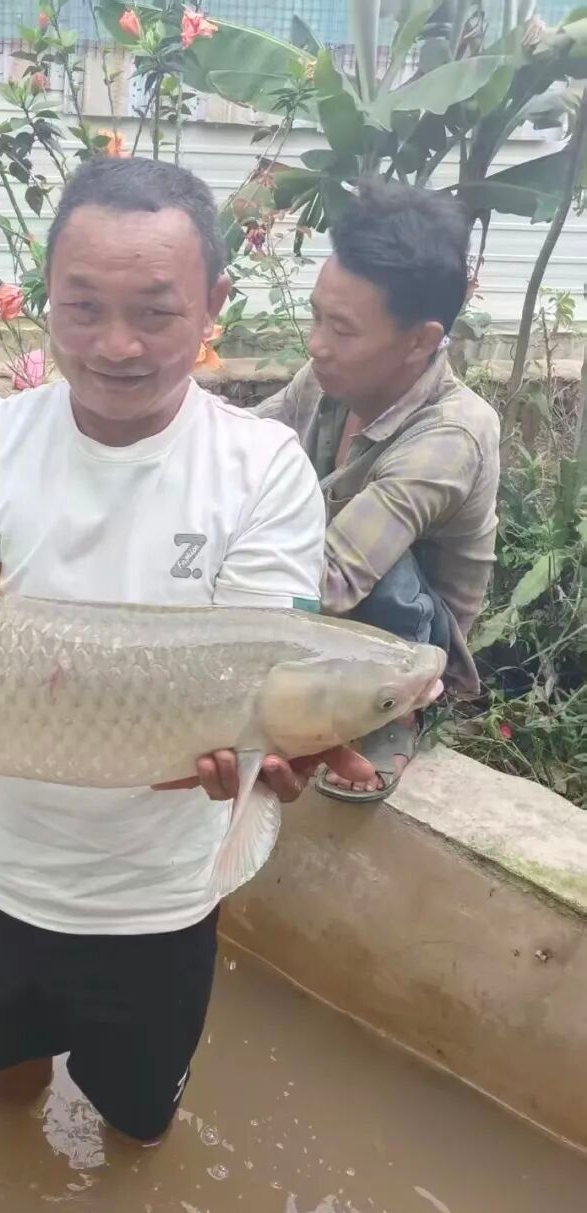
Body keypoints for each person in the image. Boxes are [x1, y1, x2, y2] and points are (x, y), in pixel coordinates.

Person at [0, 157, 373, 1145]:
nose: (116, 344)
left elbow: (258, 668)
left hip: (160, 904)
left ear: (214, 303)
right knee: (4, 1090)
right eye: (84, 306)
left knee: (139, 1126)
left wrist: (273, 755)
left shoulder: (263, 469)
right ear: (46, 294)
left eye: (156, 311)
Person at [256, 181, 499, 801]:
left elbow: (333, 580)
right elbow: (239, 446)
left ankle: (399, 713)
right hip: (330, 597)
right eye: (317, 316)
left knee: (381, 567)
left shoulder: (452, 435)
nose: (317, 344)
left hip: (407, 633)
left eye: (342, 329)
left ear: (420, 340)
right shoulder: (328, 379)